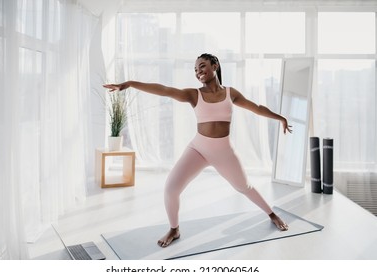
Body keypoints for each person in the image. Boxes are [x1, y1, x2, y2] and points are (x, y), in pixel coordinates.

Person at [103, 53, 292, 248]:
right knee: (171, 188)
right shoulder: (194, 95)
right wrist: (130, 83)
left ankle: (272, 214)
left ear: (215, 65)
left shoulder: (230, 93)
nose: (198, 72)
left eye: (202, 66)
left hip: (224, 152)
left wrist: (281, 118)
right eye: (195, 69)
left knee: (244, 187)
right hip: (198, 149)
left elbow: (257, 107)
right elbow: (165, 90)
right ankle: (174, 229)